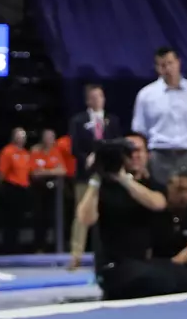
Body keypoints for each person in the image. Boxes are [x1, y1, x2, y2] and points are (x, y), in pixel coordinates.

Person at [75, 135, 187, 300]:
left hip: (144, 262)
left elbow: (158, 203)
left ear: (147, 154)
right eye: (129, 152)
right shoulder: (105, 186)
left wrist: (123, 179)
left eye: (138, 151)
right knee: (159, 280)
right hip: (114, 266)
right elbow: (85, 219)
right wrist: (96, 179)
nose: (134, 155)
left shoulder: (151, 184)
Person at [132, 47, 187, 188]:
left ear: (178, 62)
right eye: (163, 65)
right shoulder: (146, 95)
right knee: (160, 200)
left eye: (170, 63)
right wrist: (141, 162)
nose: (168, 68)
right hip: (159, 154)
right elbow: (139, 131)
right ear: (157, 68)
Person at [67, 85, 121, 270]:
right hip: (85, 175)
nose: (98, 100)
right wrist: (88, 157)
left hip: (108, 176)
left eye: (100, 96)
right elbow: (74, 148)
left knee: (109, 215)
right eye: (94, 97)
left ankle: (111, 254)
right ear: (88, 100)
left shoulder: (112, 121)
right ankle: (76, 255)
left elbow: (118, 144)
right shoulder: (78, 121)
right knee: (81, 215)